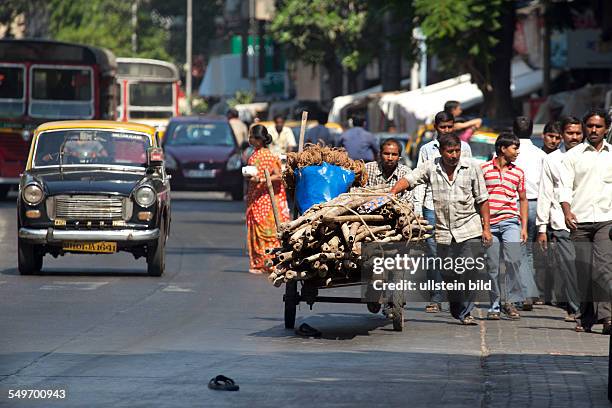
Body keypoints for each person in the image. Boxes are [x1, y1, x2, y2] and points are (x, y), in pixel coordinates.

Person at [391, 133, 492, 325]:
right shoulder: (431, 166)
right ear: (441, 151)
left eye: (457, 151)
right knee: (449, 273)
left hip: (469, 227)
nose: (454, 155)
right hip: (444, 230)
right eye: (450, 151)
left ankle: (467, 312)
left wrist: (486, 228)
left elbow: (483, 199)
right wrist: (393, 192)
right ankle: (456, 304)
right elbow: (411, 179)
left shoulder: (472, 167)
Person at [413, 111, 473, 313]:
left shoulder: (464, 148)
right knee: (433, 253)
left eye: (450, 127)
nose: (446, 130)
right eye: (442, 127)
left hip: (459, 208)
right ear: (436, 128)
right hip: (432, 207)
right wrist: (418, 210)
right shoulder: (426, 150)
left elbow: (469, 176)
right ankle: (436, 297)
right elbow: (419, 181)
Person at [560, 109, 612, 333]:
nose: (593, 130)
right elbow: (564, 188)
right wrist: (567, 211)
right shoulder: (572, 156)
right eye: (590, 126)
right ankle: (587, 316)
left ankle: (608, 317)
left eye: (598, 126)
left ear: (606, 129)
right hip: (579, 221)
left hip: (605, 220)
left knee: (603, 268)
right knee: (584, 271)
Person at [535, 116, 584, 322]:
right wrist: (541, 228)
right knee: (570, 268)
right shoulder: (552, 159)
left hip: (590, 219)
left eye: (577, 133)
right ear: (562, 135)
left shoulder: (591, 156)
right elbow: (545, 193)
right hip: (560, 222)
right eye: (570, 133)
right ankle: (576, 309)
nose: (574, 137)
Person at [481, 132, 527, 320]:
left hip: (510, 222)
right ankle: (494, 305)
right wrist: (483, 227)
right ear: (502, 149)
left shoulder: (518, 172)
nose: (517, 152)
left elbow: (523, 200)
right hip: (489, 224)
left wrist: (523, 227)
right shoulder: (483, 169)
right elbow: (478, 198)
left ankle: (510, 301)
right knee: (492, 266)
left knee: (514, 260)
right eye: (514, 148)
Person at [245, 125, 291, 274]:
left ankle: (271, 262)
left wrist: (262, 180)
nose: (249, 139)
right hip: (254, 197)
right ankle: (259, 262)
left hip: (267, 199)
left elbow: (279, 175)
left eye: (252, 136)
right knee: (256, 229)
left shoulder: (270, 156)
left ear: (259, 140)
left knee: (268, 230)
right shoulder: (254, 153)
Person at [512, 116, 545, 310]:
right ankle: (528, 291)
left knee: (518, 251)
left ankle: (524, 292)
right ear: (532, 131)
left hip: (516, 204)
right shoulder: (540, 154)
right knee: (528, 251)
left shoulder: (508, 152)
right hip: (536, 204)